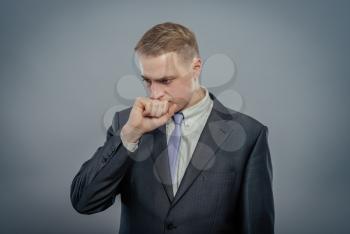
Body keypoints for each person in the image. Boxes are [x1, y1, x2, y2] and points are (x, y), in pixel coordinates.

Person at [70, 22, 274, 234]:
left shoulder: (249, 134)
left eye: (165, 80)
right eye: (147, 81)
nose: (155, 93)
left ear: (196, 68)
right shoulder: (127, 123)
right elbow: (84, 202)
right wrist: (130, 134)